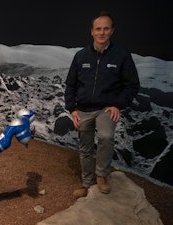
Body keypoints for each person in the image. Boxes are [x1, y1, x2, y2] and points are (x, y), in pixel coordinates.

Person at [64, 11, 140, 198]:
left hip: (106, 108)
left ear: (112, 31)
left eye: (106, 28)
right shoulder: (81, 56)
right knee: (85, 147)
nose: (102, 32)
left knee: (106, 137)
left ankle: (101, 176)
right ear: (92, 32)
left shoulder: (121, 55)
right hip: (82, 109)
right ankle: (86, 182)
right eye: (98, 29)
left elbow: (132, 85)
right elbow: (70, 84)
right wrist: (72, 109)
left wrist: (118, 105)